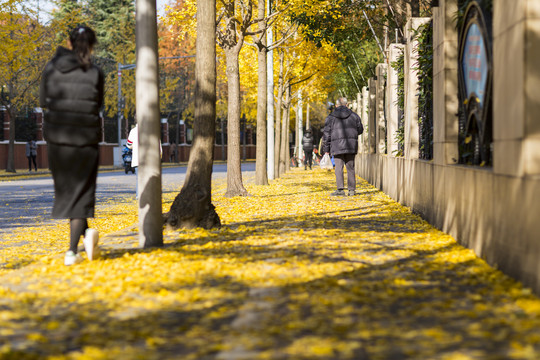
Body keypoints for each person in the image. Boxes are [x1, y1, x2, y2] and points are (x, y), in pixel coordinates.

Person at [40, 25, 103, 265]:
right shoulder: (95, 72)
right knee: (82, 193)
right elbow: (97, 104)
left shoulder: (51, 69)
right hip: (85, 140)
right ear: (91, 45)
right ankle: (71, 252)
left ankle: (87, 235)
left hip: (57, 140)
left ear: (69, 43)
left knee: (70, 192)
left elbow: (43, 100)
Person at [322, 97, 363, 196]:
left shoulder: (331, 117)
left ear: (336, 106)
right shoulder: (354, 116)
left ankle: (340, 190)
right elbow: (360, 130)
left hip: (336, 146)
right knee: (350, 167)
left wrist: (326, 150)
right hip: (351, 146)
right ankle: (351, 190)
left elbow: (326, 134)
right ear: (347, 105)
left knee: (338, 168)